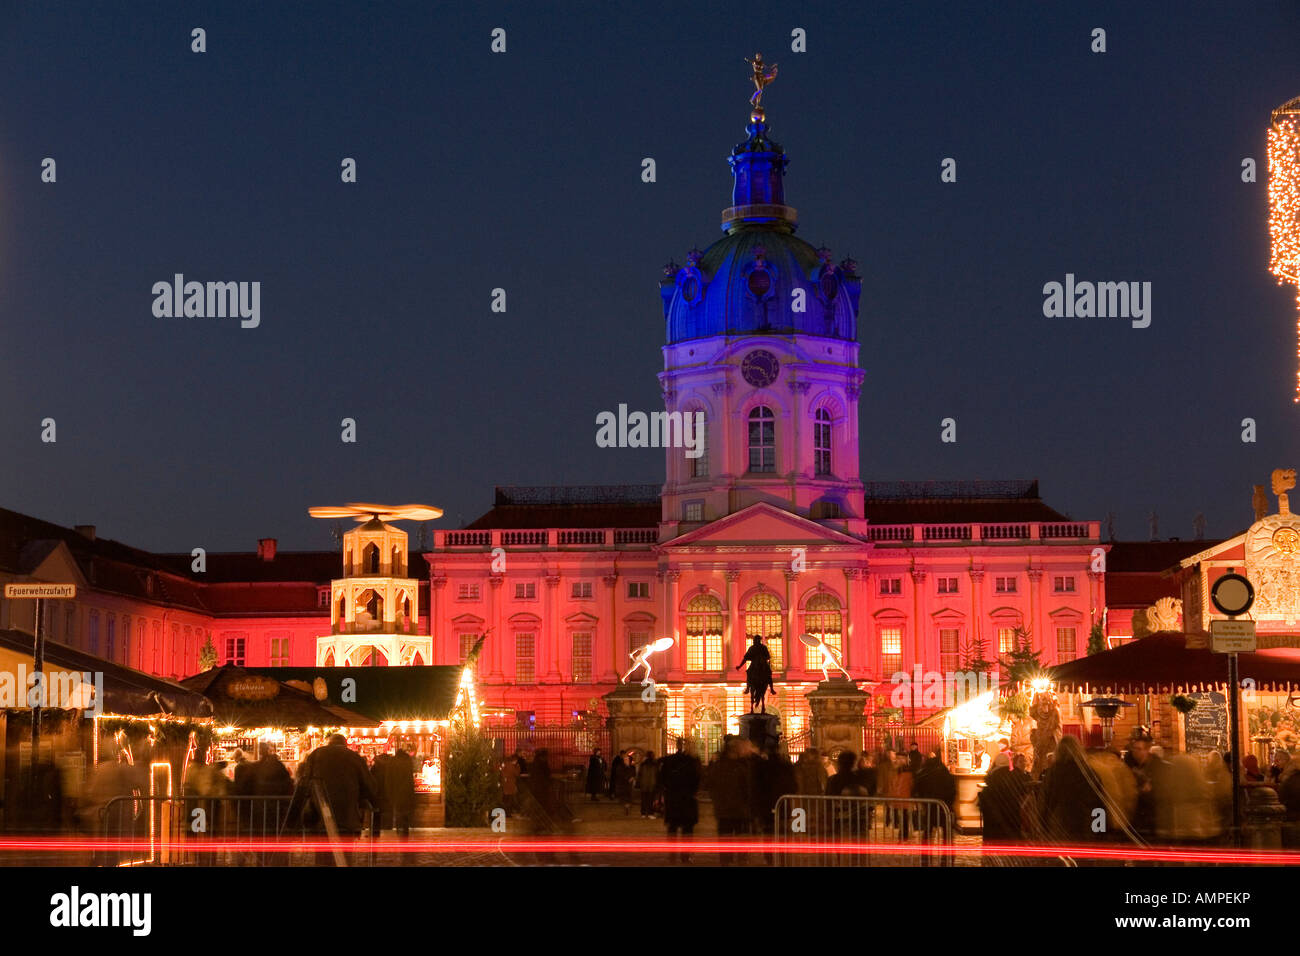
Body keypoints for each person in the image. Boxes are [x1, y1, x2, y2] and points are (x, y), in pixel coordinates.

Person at [289, 734, 379, 838]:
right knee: (345, 849)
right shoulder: (354, 757)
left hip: (320, 814)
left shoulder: (316, 754)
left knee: (322, 848)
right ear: (345, 744)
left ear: (329, 743)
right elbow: (370, 787)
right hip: (347, 816)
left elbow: (304, 783)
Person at [709, 736, 753, 864]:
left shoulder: (720, 765)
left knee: (728, 839)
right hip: (733, 809)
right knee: (733, 838)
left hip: (730, 809)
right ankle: (735, 860)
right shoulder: (740, 765)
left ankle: (731, 860)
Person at [658, 738, 701, 862]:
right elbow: (697, 780)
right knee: (687, 830)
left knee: (672, 828)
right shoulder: (692, 762)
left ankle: (672, 856)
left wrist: (667, 790)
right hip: (687, 799)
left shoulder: (669, 761)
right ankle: (685, 857)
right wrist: (693, 792)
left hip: (672, 799)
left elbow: (662, 779)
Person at [913, 747, 957, 845]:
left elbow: (918, 788)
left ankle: (925, 856)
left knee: (928, 831)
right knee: (946, 833)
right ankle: (947, 854)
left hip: (930, 807)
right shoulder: (945, 773)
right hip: (945, 807)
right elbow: (952, 790)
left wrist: (922, 802)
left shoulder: (924, 773)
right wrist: (949, 803)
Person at [382, 748, 417, 836]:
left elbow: (388, 779)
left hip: (396, 790)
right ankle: (405, 829)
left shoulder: (392, 761)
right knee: (406, 812)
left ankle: (399, 829)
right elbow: (410, 778)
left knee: (399, 811)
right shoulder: (407, 761)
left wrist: (389, 792)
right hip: (407, 791)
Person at [637, 751, 660, 818]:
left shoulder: (643, 764)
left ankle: (643, 813)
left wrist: (639, 783)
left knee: (644, 800)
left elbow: (639, 774)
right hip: (651, 784)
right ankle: (650, 813)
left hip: (644, 784)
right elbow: (657, 775)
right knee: (650, 800)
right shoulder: (655, 765)